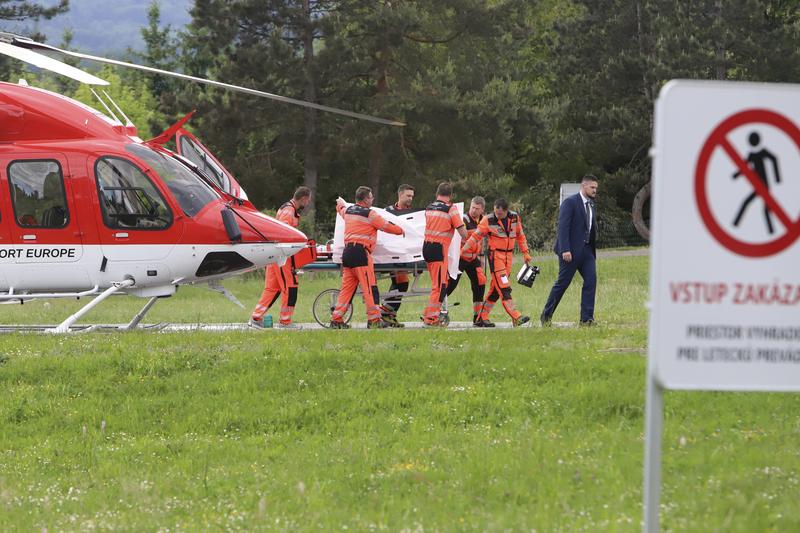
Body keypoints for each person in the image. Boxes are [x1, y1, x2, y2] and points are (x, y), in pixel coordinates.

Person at [330, 186, 405, 329]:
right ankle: (374, 320)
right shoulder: (370, 214)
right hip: (361, 254)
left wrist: (339, 204)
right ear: (365, 199)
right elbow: (385, 226)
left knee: (347, 289)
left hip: (347, 254)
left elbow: (340, 209)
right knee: (370, 288)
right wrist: (401, 230)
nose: (372, 199)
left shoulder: (349, 211)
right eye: (371, 197)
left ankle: (336, 319)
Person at [462, 198, 531, 327]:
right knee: (504, 287)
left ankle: (481, 316)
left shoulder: (515, 218)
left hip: (508, 257)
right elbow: (475, 236)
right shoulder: (488, 220)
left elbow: (520, 236)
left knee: (495, 290)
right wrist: (463, 249)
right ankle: (516, 316)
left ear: (506, 211)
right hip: (496, 256)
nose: (496, 215)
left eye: (499, 214)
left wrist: (525, 252)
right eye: (495, 212)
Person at [540, 174, 598, 326]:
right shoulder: (570, 202)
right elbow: (563, 227)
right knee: (562, 284)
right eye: (592, 187)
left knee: (591, 281)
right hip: (570, 252)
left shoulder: (592, 204)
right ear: (583, 186)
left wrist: (592, 250)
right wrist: (565, 249)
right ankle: (546, 317)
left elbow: (590, 228)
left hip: (587, 252)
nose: (594, 190)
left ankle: (586, 319)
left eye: (596, 188)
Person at [250, 186, 311, 329]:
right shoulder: (289, 212)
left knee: (272, 289)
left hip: (275, 257)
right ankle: (285, 321)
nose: (308, 203)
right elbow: (283, 234)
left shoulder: (287, 209)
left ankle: (256, 317)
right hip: (282, 258)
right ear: (303, 198)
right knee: (290, 287)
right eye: (308, 200)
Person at [422, 182, 468, 326]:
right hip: (439, 250)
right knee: (440, 286)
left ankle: (430, 314)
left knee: (441, 281)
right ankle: (431, 318)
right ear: (451, 195)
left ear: (437, 194)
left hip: (426, 248)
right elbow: (463, 233)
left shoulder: (429, 207)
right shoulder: (450, 208)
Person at [446, 196, 487, 324]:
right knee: (450, 284)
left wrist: (481, 257)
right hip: (460, 258)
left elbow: (483, 240)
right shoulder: (463, 219)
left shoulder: (483, 221)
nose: (473, 210)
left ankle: (478, 317)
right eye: (472, 207)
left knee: (480, 283)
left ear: (482, 210)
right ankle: (434, 312)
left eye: (477, 208)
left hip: (473, 258)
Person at [384, 184, 417, 317]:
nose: (411, 199)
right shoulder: (387, 211)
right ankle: (387, 311)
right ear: (400, 195)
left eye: (412, 196)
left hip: (406, 254)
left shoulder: (413, 213)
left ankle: (388, 312)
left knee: (401, 283)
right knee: (402, 282)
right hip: (391, 253)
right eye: (408, 196)